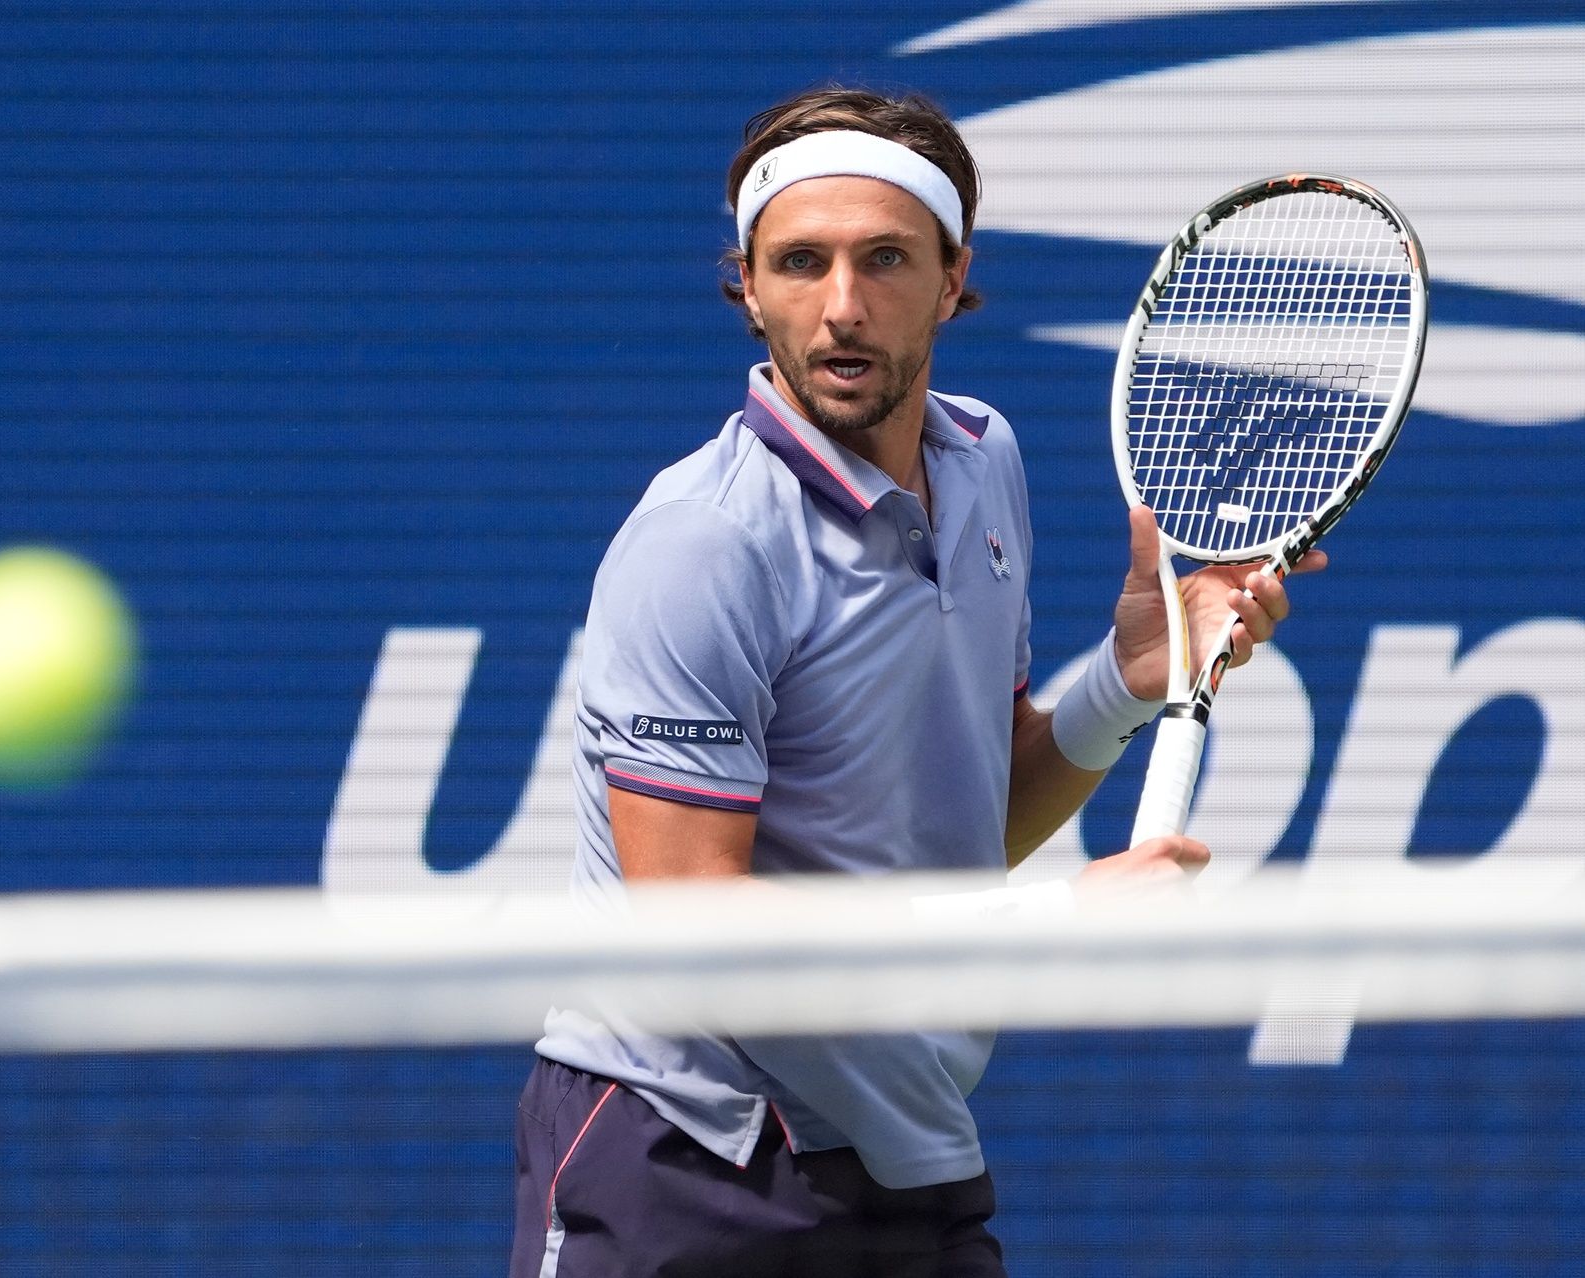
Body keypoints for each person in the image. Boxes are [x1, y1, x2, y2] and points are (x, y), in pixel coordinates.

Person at [509, 86, 1321, 1278]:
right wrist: (1054, 922)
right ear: (747, 286)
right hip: (689, 1153)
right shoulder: (703, 543)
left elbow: (954, 841)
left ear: (951, 278)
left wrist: (1128, 681)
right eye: (799, 263)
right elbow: (691, 926)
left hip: (906, 1152)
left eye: (884, 259)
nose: (840, 308)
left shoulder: (983, 465)